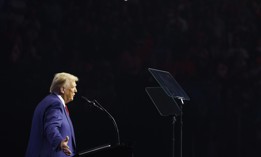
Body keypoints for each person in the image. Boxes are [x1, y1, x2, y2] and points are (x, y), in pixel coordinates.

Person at [25, 72, 79, 157]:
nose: (76, 90)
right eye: (73, 87)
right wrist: (59, 142)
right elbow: (51, 126)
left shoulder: (50, 102)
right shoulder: (55, 104)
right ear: (62, 89)